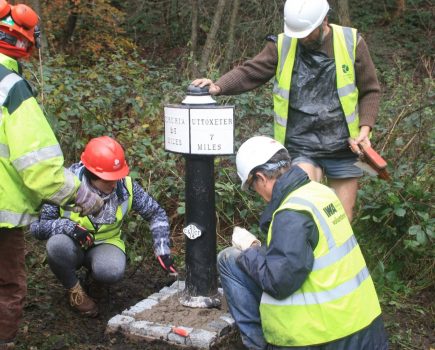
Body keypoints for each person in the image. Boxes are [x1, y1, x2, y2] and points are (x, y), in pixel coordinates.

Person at [193, 0, 381, 221]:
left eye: (307, 33)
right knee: (303, 210)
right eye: (297, 34)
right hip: (301, 145)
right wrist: (219, 86)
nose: (301, 38)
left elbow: (370, 90)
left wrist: (364, 130)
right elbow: (251, 71)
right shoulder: (282, 45)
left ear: (324, 20)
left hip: (343, 147)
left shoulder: (351, 42)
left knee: (341, 219)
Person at [218, 135, 388, 349]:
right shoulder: (322, 193)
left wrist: (251, 249)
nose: (257, 193)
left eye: (252, 186)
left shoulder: (292, 213)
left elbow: (279, 282)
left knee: (229, 259)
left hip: (322, 338)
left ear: (261, 177)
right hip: (366, 328)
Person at [0, 2, 103, 347]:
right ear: (24, 41)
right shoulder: (11, 89)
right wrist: (80, 195)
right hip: (2, 214)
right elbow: (39, 167)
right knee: (7, 285)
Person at [30, 136, 177, 317]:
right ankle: (75, 290)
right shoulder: (64, 185)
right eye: (108, 180)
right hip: (71, 245)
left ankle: (95, 281)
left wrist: (161, 248)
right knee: (56, 246)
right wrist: (68, 227)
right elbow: (37, 228)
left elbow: (156, 213)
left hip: (106, 244)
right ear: (91, 175)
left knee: (111, 270)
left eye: (117, 177)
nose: (115, 183)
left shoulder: (127, 186)